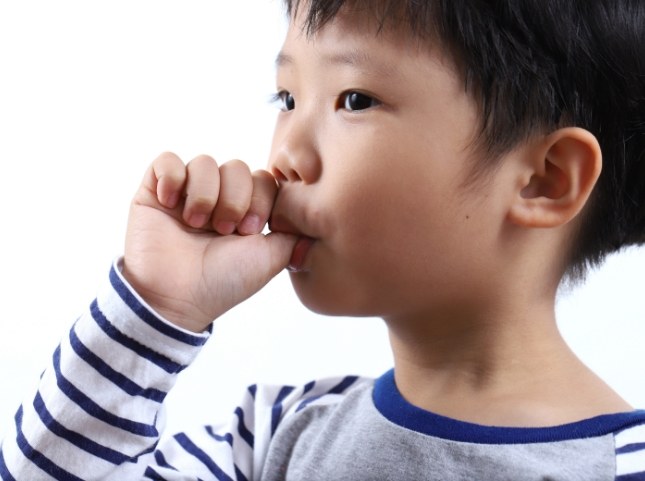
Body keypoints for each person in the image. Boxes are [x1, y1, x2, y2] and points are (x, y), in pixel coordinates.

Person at [2, 0, 645, 479]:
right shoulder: (276, 438)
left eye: (354, 99)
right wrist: (153, 308)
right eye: (286, 96)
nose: (284, 153)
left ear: (543, 179)